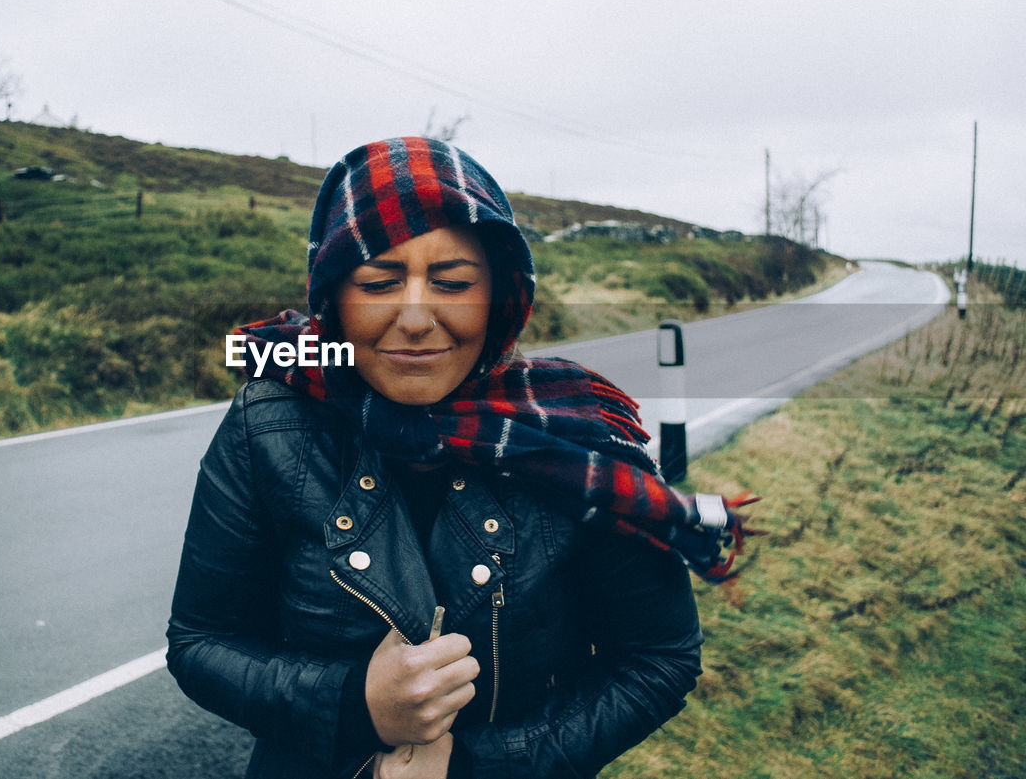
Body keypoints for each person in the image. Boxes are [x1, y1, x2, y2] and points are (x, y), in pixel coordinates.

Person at [167, 137, 753, 779]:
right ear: (333, 298)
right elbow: (202, 643)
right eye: (379, 282)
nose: (415, 318)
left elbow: (657, 659)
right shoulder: (268, 421)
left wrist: (472, 768)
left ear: (499, 297)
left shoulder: (575, 432)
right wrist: (357, 704)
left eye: (452, 283)